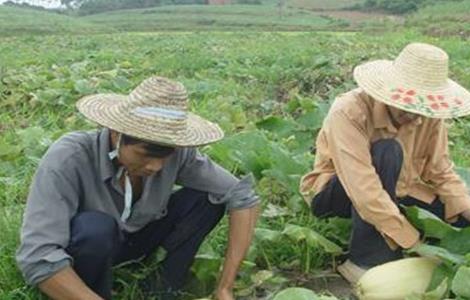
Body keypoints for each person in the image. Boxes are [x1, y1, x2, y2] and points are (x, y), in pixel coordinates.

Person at [16, 76, 259, 300]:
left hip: (138, 240)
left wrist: (225, 287)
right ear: (116, 134)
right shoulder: (69, 158)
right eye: (146, 154)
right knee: (95, 228)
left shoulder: (174, 155)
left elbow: (241, 195)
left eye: (166, 155)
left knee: (207, 197)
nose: (156, 166)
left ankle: (162, 288)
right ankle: (93, 290)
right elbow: (37, 257)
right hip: (88, 249)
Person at [300, 43, 470, 284]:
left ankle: (395, 227)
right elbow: (363, 190)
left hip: (400, 188)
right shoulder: (348, 111)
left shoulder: (428, 115)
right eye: (408, 107)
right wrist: (413, 242)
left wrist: (465, 207)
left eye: (421, 109)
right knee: (387, 150)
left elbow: (441, 172)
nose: (415, 116)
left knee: (460, 219)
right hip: (338, 193)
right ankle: (362, 260)